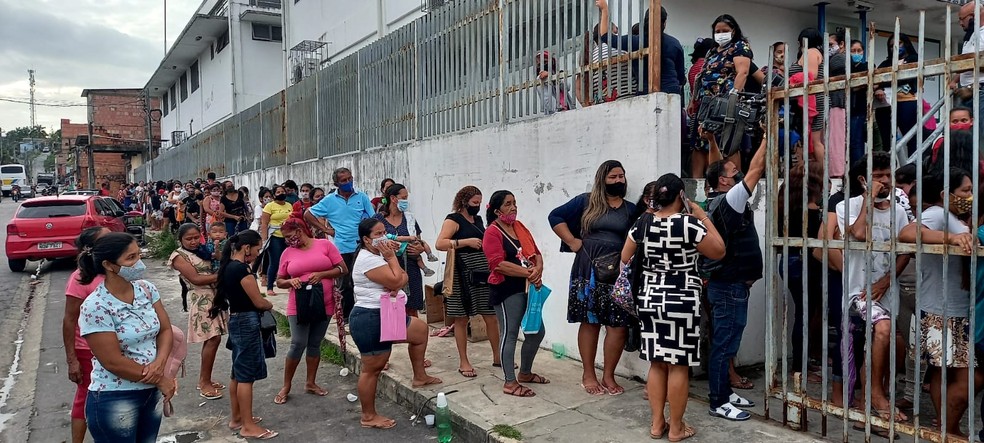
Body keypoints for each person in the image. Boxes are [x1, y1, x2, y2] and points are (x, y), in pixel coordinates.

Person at [621, 174, 725, 441]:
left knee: (656, 362)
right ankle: (676, 428)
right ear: (682, 197)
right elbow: (718, 250)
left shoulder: (642, 223)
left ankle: (657, 424)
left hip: (651, 296)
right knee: (678, 365)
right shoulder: (689, 224)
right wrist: (702, 215)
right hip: (682, 298)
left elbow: (625, 256)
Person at [900, 168, 978, 438]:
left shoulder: (955, 217)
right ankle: (949, 426)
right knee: (967, 375)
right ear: (947, 194)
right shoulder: (938, 213)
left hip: (950, 307)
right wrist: (952, 238)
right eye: (965, 190)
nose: (970, 195)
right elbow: (908, 233)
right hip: (942, 309)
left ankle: (945, 426)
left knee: (940, 370)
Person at [548, 160, 636, 395]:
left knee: (618, 326)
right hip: (588, 269)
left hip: (617, 271)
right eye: (613, 177)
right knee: (591, 321)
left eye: (621, 176)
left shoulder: (630, 209)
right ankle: (588, 374)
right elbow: (555, 217)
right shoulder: (586, 201)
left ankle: (609, 376)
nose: (619, 180)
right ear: (602, 179)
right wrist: (572, 242)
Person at [77, 233, 175, 443]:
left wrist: (160, 363)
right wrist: (160, 378)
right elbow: (112, 361)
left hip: (151, 391)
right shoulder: (96, 306)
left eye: (138, 255)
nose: (138, 263)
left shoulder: (146, 290)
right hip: (116, 396)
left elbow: (165, 330)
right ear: (109, 265)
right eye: (130, 258)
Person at [836, 153, 910, 423]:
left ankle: (869, 402)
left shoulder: (899, 211)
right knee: (883, 329)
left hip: (885, 289)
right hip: (859, 291)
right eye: (878, 176)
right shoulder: (849, 206)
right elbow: (859, 234)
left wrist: (887, 280)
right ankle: (878, 396)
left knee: (878, 344)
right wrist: (870, 198)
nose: (886, 181)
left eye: (888, 175)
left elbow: (905, 251)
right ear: (863, 180)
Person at [349, 218, 442, 429]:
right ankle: (368, 416)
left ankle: (420, 376)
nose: (384, 237)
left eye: (385, 232)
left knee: (419, 331)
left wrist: (398, 274)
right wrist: (392, 260)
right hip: (370, 317)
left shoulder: (376, 254)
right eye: (377, 234)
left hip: (385, 313)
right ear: (366, 239)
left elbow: (402, 279)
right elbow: (397, 280)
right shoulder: (368, 259)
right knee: (372, 368)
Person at [702, 133, 766, 421]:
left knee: (728, 343)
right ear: (725, 181)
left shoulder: (719, 199)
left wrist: (714, 143)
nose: (737, 173)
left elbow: (717, 166)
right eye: (732, 172)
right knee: (724, 344)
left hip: (733, 286)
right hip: (728, 287)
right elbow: (756, 169)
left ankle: (725, 392)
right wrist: (767, 138)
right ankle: (718, 401)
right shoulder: (730, 201)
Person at [273, 217, 348, 405]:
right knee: (298, 343)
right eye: (286, 238)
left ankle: (310, 382)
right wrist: (291, 281)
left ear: (300, 230)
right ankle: (286, 385)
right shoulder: (287, 253)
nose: (289, 241)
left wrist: (323, 274)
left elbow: (342, 269)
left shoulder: (324, 245)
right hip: (298, 303)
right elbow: (280, 280)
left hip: (325, 301)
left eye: (290, 236)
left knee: (314, 343)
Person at [212, 230, 278, 439]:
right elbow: (258, 302)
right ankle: (247, 425)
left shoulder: (229, 268)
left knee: (237, 372)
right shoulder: (242, 270)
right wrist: (269, 303)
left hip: (237, 319)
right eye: (258, 249)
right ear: (247, 248)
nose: (258, 254)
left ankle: (238, 417)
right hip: (247, 321)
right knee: (247, 376)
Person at [483, 190, 549, 397]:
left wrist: (537, 269)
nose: (513, 208)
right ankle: (510, 382)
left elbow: (536, 253)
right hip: (506, 289)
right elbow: (497, 265)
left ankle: (526, 373)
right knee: (509, 334)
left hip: (528, 288)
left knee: (536, 331)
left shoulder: (519, 228)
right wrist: (529, 273)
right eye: (508, 204)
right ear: (496, 210)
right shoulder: (492, 232)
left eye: (515, 203)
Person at [435, 186, 502, 378]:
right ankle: (464, 361)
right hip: (461, 274)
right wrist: (465, 242)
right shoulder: (453, 220)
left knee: (490, 315)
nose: (477, 207)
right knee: (461, 318)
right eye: (474, 203)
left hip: (481, 272)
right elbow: (440, 243)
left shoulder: (478, 220)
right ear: (464, 201)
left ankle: (498, 356)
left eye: (480, 203)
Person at [304, 167, 376, 320]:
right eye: (344, 180)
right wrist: (325, 229)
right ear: (336, 183)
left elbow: (372, 218)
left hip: (362, 246)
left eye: (350, 178)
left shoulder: (361, 197)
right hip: (343, 247)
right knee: (346, 284)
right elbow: (308, 214)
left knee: (365, 281)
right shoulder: (330, 200)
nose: (348, 182)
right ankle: (345, 317)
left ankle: (362, 313)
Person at [169, 223, 227, 401]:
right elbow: (196, 279)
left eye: (196, 237)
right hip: (201, 299)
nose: (193, 242)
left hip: (215, 296)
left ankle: (206, 378)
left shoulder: (203, 249)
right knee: (212, 338)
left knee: (214, 339)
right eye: (189, 239)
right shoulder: (179, 256)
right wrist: (225, 273)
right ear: (180, 240)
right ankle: (204, 382)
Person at [63, 227, 110, 443]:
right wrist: (72, 359)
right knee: (86, 396)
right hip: (88, 350)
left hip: (117, 348)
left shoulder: (116, 269)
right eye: (106, 238)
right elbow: (69, 320)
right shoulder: (80, 277)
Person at [691, 14, 752, 178]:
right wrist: (693, 100)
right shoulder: (712, 51)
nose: (721, 33)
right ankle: (713, 180)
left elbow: (743, 72)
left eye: (725, 30)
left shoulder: (740, 46)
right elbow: (702, 75)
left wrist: (733, 97)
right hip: (708, 103)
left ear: (733, 30)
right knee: (705, 141)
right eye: (717, 31)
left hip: (727, 101)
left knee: (729, 142)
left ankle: (734, 179)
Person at [596, 2, 685, 97]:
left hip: (646, 93)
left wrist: (604, 9)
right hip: (671, 92)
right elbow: (681, 77)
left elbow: (606, 37)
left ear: (645, 22)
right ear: (665, 23)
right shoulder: (674, 43)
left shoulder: (636, 42)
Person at [373, 184, 429, 316]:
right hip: (389, 269)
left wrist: (419, 249)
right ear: (393, 198)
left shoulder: (409, 218)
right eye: (403, 197)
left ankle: (412, 334)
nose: (406, 200)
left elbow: (418, 239)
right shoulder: (378, 219)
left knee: (412, 307)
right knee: (392, 307)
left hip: (411, 268)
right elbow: (373, 242)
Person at [874, 34, 921, 157]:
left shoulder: (914, 59)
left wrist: (884, 82)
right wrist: (878, 89)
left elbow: (906, 79)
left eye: (898, 43)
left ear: (905, 43)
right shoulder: (885, 63)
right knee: (886, 140)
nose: (894, 47)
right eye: (891, 45)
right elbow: (875, 81)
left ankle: (913, 167)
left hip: (907, 102)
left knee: (910, 137)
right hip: (886, 104)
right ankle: (888, 167)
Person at [788, 27, 827, 165]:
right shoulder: (815, 53)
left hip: (811, 101)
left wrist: (792, 81)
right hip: (811, 99)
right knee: (811, 139)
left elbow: (810, 76)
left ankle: (823, 174)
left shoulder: (810, 52)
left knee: (814, 140)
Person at [956, 2, 984, 140]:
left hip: (981, 91)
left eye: (962, 19)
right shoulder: (971, 36)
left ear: (973, 16)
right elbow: (964, 64)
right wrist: (955, 79)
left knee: (981, 136)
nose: (960, 23)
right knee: (966, 138)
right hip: (966, 93)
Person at [261, 185, 294, 297]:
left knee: (289, 261)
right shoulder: (269, 206)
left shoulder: (289, 205)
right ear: (274, 194)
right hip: (275, 236)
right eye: (278, 192)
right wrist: (264, 239)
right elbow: (264, 224)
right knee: (275, 261)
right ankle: (270, 287)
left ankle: (289, 284)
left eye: (282, 191)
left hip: (288, 237)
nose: (281, 193)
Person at [826, 31, 849, 178]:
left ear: (841, 45)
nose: (828, 48)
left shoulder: (838, 59)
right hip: (838, 103)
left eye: (830, 45)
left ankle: (837, 172)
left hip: (837, 103)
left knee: (836, 140)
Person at [848, 40, 870, 165]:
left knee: (856, 141)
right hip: (845, 108)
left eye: (859, 51)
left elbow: (867, 84)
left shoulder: (866, 66)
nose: (856, 53)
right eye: (853, 51)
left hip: (858, 109)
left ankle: (858, 169)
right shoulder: (846, 67)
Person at [535, 50, 576, 115]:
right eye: (540, 63)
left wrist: (552, 77)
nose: (543, 65)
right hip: (556, 113)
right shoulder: (539, 79)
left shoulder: (558, 74)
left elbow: (567, 87)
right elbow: (547, 100)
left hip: (569, 109)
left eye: (545, 61)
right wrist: (559, 110)